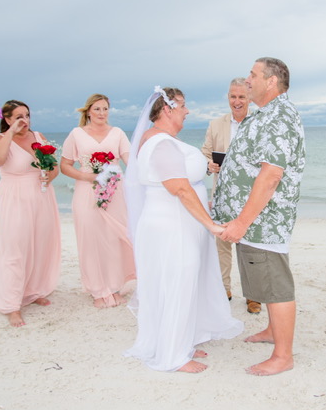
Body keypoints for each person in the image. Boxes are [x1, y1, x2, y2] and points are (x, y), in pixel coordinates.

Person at [124, 86, 243, 373]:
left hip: (176, 224)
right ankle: (173, 355)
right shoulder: (162, 144)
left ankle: (182, 341)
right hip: (172, 227)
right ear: (167, 109)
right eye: (183, 106)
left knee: (183, 283)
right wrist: (211, 225)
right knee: (177, 284)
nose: (187, 111)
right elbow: (179, 188)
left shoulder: (159, 140)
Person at [213, 58, 306, 376]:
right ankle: (271, 331)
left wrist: (241, 222)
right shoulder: (265, 113)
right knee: (262, 280)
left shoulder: (279, 115)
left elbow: (270, 176)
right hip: (253, 221)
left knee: (276, 284)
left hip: (264, 221)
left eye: (253, 75)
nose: (248, 79)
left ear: (271, 81)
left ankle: (283, 356)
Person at [0, 100, 61, 327]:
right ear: (7, 119)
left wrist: (49, 176)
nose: (25, 121)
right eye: (19, 116)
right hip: (14, 198)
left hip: (41, 196)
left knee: (40, 245)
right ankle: (12, 305)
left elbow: (54, 166)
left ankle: (34, 290)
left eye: (27, 115)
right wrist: (11, 133)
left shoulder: (38, 136)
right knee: (15, 249)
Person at [60, 94, 136, 308]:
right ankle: (97, 290)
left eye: (105, 109)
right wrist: (91, 177)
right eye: (97, 109)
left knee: (114, 239)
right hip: (86, 191)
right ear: (88, 111)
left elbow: (130, 160)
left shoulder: (118, 133)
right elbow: (64, 166)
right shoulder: (76, 134)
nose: (102, 113)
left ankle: (114, 287)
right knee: (91, 240)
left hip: (115, 192)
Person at [201, 78, 262, 314]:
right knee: (222, 244)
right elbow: (205, 154)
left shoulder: (260, 123)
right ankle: (223, 289)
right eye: (233, 96)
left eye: (242, 97)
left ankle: (254, 295)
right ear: (228, 97)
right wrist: (209, 166)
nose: (237, 101)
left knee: (250, 247)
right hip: (222, 196)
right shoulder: (216, 125)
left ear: (250, 98)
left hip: (252, 196)